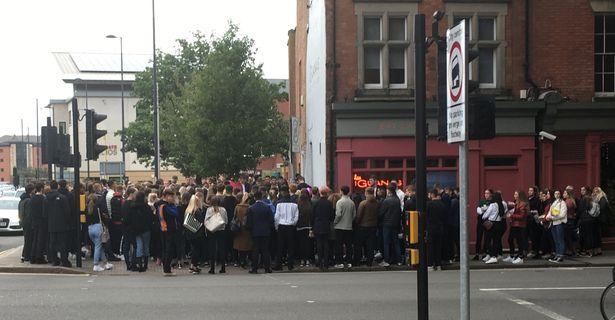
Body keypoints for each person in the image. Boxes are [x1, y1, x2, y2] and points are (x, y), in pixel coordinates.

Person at [246, 188, 275, 274]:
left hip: (255, 232)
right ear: (262, 197)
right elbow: (271, 220)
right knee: (265, 250)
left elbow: (249, 222)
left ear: (254, 198)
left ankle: (254, 268)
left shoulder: (251, 208)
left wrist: (250, 230)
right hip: (265, 231)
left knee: (255, 250)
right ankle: (267, 268)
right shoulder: (267, 207)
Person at [87, 183, 114, 272]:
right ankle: (95, 264)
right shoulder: (97, 208)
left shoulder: (88, 209)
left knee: (99, 246)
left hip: (90, 228)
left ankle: (106, 263)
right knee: (98, 246)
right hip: (98, 227)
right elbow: (103, 217)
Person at [124, 191, 153, 272]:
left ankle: (140, 265)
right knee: (146, 247)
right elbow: (150, 218)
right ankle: (145, 265)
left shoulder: (132, 206)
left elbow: (129, 219)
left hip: (136, 230)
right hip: (146, 229)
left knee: (139, 247)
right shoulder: (146, 207)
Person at [45, 181, 71, 267]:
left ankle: (55, 260)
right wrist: (67, 222)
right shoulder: (62, 198)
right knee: (62, 243)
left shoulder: (46, 198)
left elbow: (44, 214)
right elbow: (67, 212)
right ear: (58, 187)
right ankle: (64, 261)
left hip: (51, 225)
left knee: (52, 243)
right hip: (62, 224)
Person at [274, 186, 299, 271]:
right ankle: (290, 265)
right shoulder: (294, 204)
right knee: (290, 246)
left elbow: (276, 217)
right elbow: (296, 217)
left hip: (281, 225)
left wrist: (276, 226)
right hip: (291, 227)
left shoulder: (279, 204)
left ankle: (279, 265)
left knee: (280, 246)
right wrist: (293, 223)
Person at [158, 189, 182, 276]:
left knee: (168, 249)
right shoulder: (164, 206)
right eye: (171, 196)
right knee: (168, 250)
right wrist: (174, 205)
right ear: (165, 196)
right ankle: (167, 269)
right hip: (167, 230)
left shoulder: (164, 205)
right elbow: (175, 213)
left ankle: (166, 268)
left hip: (168, 229)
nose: (172, 198)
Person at [311, 186, 335, 271]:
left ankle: (320, 263)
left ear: (320, 193)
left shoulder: (316, 203)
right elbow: (332, 216)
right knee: (326, 244)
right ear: (327, 194)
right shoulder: (329, 203)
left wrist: (312, 227)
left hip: (317, 226)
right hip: (326, 226)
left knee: (319, 245)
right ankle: (326, 264)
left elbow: (312, 216)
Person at [354, 187, 378, 267]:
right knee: (370, 245)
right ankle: (369, 261)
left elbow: (359, 216)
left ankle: (358, 260)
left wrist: (357, 223)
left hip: (363, 226)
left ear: (366, 193)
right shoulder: (376, 203)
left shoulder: (363, 203)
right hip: (373, 226)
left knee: (359, 244)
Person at [379, 185, 403, 267]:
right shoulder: (397, 200)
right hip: (395, 224)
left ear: (389, 191)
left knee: (386, 243)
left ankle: (386, 260)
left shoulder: (386, 200)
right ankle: (399, 260)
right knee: (396, 242)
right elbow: (400, 212)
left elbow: (381, 213)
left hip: (386, 224)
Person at [333, 186, 355, 269]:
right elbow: (354, 215)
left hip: (339, 227)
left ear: (341, 192)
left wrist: (335, 222)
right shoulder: (351, 202)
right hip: (349, 227)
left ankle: (340, 262)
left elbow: (338, 214)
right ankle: (349, 262)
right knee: (349, 245)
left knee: (339, 245)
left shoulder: (339, 202)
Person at [183, 194, 206, 274]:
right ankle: (194, 266)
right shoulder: (197, 211)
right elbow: (201, 223)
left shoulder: (188, 210)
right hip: (197, 233)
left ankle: (192, 266)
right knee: (196, 250)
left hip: (189, 233)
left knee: (193, 249)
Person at [505, 190, 529, 264]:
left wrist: (511, 215)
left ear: (519, 195)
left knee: (519, 241)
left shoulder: (522, 204)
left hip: (519, 225)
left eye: (516, 194)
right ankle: (512, 255)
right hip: (514, 224)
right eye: (514, 194)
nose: (514, 195)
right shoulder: (515, 203)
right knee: (510, 239)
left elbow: (522, 216)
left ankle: (520, 257)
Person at [205, 196, 228, 274]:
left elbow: (206, 221)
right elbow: (226, 220)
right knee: (222, 248)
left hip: (212, 231)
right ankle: (223, 267)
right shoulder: (223, 210)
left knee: (212, 249)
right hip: (221, 231)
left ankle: (212, 268)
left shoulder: (209, 210)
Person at [481, 190, 505, 264]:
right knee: (496, 241)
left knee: (488, 240)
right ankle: (495, 255)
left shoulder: (492, 205)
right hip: (499, 224)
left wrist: (483, 215)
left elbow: (486, 215)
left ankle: (492, 256)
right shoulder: (502, 204)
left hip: (492, 224)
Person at [427, 189, 447, 270]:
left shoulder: (428, 204)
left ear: (432, 195)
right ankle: (438, 264)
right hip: (439, 227)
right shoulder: (442, 204)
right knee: (438, 247)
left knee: (430, 247)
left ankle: (431, 264)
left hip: (431, 227)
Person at [546, 190, 567, 263]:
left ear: (560, 194)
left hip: (559, 223)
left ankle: (561, 256)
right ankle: (557, 255)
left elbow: (562, 214)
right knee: (556, 240)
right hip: (553, 223)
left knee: (560, 240)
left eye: (558, 193)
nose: (557, 194)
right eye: (555, 193)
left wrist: (552, 218)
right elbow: (550, 212)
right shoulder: (554, 202)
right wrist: (547, 217)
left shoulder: (562, 203)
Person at [233, 193, 253, 269]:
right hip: (247, 229)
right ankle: (246, 260)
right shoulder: (250, 208)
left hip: (238, 228)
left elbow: (234, 217)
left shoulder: (237, 207)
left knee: (240, 246)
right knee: (247, 245)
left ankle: (241, 261)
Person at [473, 189, 492, 260]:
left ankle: (485, 253)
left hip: (487, 222)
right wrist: (483, 210)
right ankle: (477, 253)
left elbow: (489, 211)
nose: (486, 195)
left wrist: (484, 210)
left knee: (487, 238)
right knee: (479, 237)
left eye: (487, 193)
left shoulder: (492, 202)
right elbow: (479, 210)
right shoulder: (482, 201)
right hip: (480, 221)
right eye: (485, 193)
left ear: (491, 194)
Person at [296, 189, 313, 267]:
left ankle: (302, 260)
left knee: (301, 243)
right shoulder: (310, 204)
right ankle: (308, 260)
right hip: (308, 226)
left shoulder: (298, 204)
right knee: (307, 244)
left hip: (299, 226)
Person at [592, 187, 611, 256]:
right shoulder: (597, 198)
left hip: (599, 219)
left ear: (599, 192)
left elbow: (601, 209)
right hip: (598, 219)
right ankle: (597, 249)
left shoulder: (602, 199)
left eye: (596, 191)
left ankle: (598, 250)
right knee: (596, 235)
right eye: (594, 191)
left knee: (597, 235)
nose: (595, 193)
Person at [18, 184, 34, 263]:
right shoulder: (28, 200)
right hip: (28, 223)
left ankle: (24, 255)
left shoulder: (22, 199)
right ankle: (26, 256)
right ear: (31, 190)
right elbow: (29, 214)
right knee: (28, 240)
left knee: (27, 239)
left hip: (23, 222)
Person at [526, 186, 542, 259]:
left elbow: (538, 210)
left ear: (534, 192)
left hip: (534, 221)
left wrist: (531, 211)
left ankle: (536, 252)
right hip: (528, 220)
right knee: (530, 236)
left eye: (531, 190)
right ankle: (531, 250)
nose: (529, 192)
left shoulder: (536, 200)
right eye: (529, 190)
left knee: (535, 237)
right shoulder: (527, 199)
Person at [563, 189, 578, 256]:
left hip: (568, 220)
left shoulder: (568, 201)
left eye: (565, 193)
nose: (563, 194)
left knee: (568, 237)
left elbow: (565, 210)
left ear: (568, 194)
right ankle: (572, 251)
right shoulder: (569, 200)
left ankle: (571, 251)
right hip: (570, 220)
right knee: (569, 236)